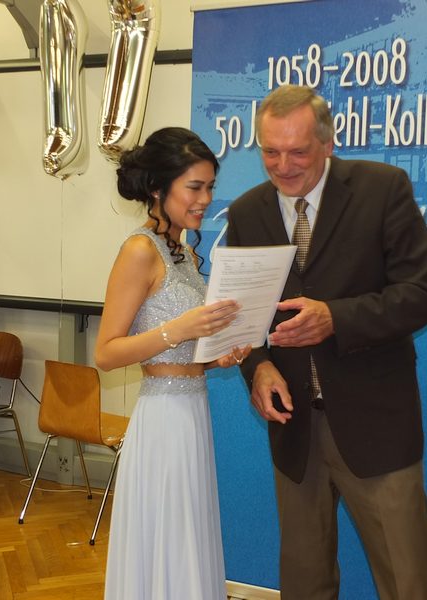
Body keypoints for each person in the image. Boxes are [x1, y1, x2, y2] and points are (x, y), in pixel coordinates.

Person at [227, 85, 427, 600]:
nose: (283, 166)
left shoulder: (382, 189)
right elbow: (242, 316)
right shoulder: (246, 212)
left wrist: (336, 319)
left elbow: (421, 296)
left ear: (328, 143)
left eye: (298, 151)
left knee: (409, 580)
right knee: (304, 580)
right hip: (294, 429)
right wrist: (258, 367)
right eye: (270, 152)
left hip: (376, 424)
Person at [94, 127, 250, 599]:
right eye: (194, 187)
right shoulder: (140, 250)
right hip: (162, 418)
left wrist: (216, 357)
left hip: (192, 410)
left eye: (210, 187)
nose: (206, 199)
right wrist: (179, 330)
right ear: (159, 189)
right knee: (167, 534)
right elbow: (106, 352)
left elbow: (182, 353)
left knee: (188, 535)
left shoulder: (184, 252)